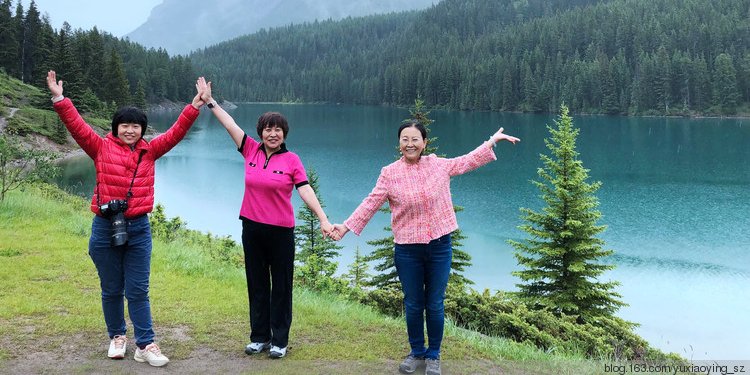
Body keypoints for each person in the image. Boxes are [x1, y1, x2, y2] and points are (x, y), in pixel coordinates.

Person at [331, 121, 520, 375]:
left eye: (415, 139)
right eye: (405, 139)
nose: (410, 144)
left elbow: (467, 161)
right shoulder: (389, 173)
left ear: (424, 143)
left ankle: (434, 355)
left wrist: (492, 142)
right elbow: (370, 203)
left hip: (440, 246)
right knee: (412, 303)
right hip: (408, 250)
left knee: (435, 304)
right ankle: (416, 352)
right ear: (399, 144)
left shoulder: (438, 165)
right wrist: (345, 227)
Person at [47, 70, 207, 367]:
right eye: (125, 125)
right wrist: (60, 99)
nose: (130, 130)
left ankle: (145, 344)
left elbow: (176, 131)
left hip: (139, 228)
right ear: (116, 128)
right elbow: (78, 127)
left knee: (137, 289)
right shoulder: (100, 148)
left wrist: (195, 105)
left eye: (136, 126)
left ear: (143, 130)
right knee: (111, 288)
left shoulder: (151, 150)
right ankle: (117, 336)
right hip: (105, 227)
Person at [196, 77, 333, 359]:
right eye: (268, 129)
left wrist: (322, 218)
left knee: (281, 287)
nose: (273, 134)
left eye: (278, 130)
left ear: (285, 133)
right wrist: (210, 102)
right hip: (252, 228)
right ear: (260, 132)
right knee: (257, 283)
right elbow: (230, 124)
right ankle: (259, 337)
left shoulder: (292, 160)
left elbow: (305, 189)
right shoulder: (250, 149)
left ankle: (279, 340)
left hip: (281, 232)